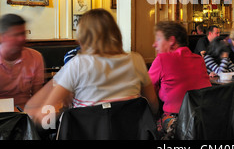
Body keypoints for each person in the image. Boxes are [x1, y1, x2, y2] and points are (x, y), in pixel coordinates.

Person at [25, 9, 159, 124]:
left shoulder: (78, 64)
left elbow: (42, 115)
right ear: (115, 33)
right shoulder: (136, 60)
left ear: (83, 36)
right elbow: (153, 105)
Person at [148, 21, 211, 136]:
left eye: (158, 39)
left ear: (171, 40)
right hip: (204, 120)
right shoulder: (199, 59)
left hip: (178, 123)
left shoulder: (162, 59)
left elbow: (147, 90)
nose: (154, 44)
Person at [0, 14, 44, 110]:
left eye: (23, 33)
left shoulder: (35, 57)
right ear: (0, 37)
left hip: (26, 116)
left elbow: (38, 97)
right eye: (16, 35)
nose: (22, 38)